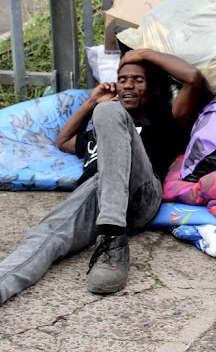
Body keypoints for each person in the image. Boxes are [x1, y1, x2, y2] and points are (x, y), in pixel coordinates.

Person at [0, 49, 203, 303]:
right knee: (44, 237)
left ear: (155, 89)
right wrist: (92, 103)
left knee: (109, 112)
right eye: (122, 79)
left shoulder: (164, 121)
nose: (127, 85)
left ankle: (113, 238)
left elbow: (193, 78)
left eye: (138, 80)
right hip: (95, 200)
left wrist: (138, 52)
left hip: (139, 195)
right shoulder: (100, 128)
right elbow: (63, 141)